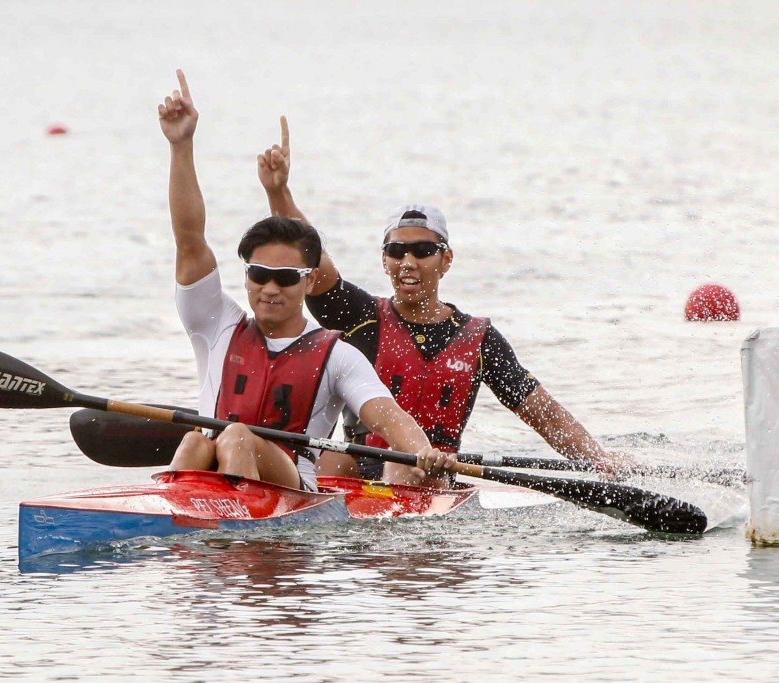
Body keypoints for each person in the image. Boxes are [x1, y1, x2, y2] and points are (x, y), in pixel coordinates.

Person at [256, 117, 630, 481]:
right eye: (397, 251)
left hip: (428, 478)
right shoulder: (361, 316)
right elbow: (308, 254)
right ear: (384, 260)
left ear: (446, 259)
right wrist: (278, 192)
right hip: (355, 474)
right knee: (331, 461)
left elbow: (541, 412)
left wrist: (595, 457)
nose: (408, 262)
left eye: (422, 251)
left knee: (404, 466)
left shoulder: (479, 339)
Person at [158, 70, 456, 492]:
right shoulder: (215, 325)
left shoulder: (338, 355)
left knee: (238, 435)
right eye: (259, 276)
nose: (270, 289)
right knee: (193, 440)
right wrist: (180, 145)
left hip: (293, 489)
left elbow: (386, 414)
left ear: (309, 279)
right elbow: (189, 241)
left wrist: (422, 449)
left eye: (285, 277)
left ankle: (232, 542)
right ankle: (190, 520)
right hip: (212, 474)